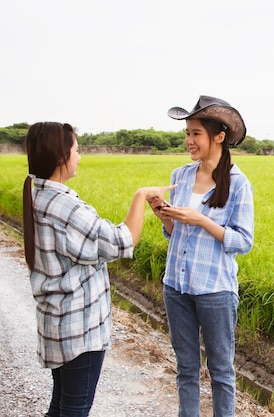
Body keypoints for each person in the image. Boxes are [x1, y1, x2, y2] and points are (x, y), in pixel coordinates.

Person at [22, 121, 174, 417]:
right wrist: (141, 196)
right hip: (79, 326)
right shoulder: (64, 206)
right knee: (75, 409)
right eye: (76, 150)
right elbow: (121, 241)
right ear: (60, 156)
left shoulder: (37, 193)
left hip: (56, 320)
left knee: (61, 404)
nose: (80, 156)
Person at [149, 95, 254, 417]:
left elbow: (243, 241)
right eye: (187, 133)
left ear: (218, 136)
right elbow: (172, 232)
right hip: (176, 285)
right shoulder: (180, 175)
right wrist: (163, 214)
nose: (189, 141)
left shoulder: (237, 183)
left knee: (221, 371)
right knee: (186, 367)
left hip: (215, 290)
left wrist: (201, 220)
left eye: (196, 133)